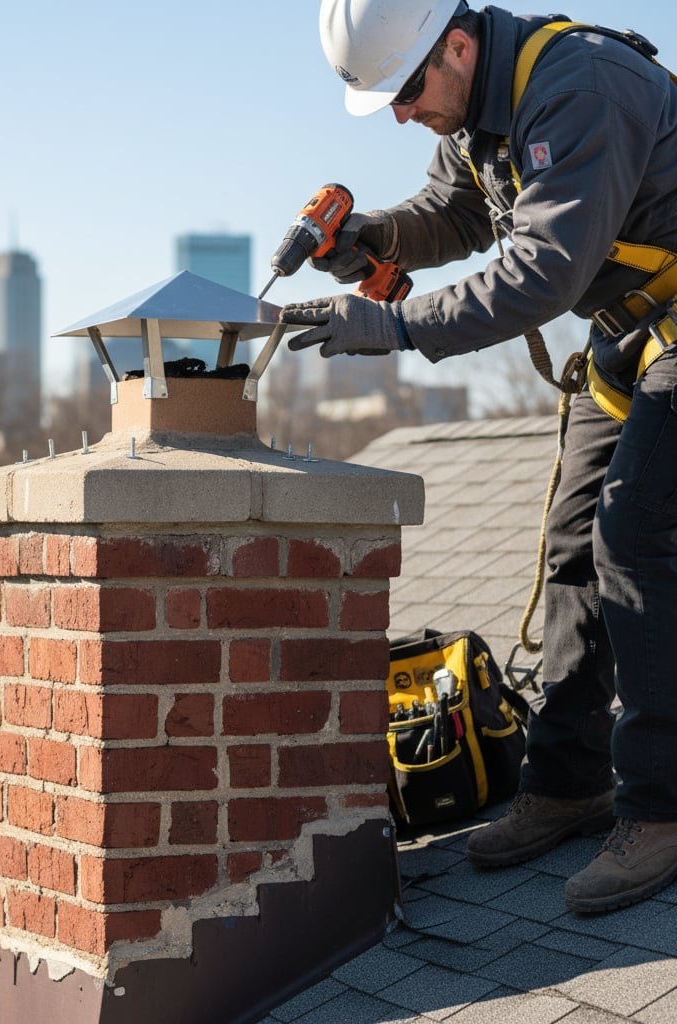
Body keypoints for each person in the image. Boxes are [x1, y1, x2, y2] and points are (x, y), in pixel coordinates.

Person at [281, 0, 677, 914]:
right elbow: (456, 213)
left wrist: (390, 325)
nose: (401, 113)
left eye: (408, 91)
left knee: (635, 538)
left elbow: (542, 274)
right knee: (573, 543)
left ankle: (662, 808)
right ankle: (571, 781)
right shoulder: (477, 103)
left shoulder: (580, 84)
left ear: (455, 47)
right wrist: (374, 239)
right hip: (637, 330)